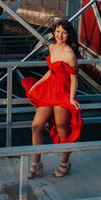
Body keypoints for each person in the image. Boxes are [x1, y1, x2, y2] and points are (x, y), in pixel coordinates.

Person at [21, 19, 83, 179]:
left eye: (64, 32)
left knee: (63, 129)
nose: (60, 35)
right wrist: (37, 84)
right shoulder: (52, 47)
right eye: (57, 31)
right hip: (50, 89)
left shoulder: (70, 54)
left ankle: (65, 163)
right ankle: (37, 163)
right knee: (36, 126)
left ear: (69, 35)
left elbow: (74, 79)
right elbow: (51, 71)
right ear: (53, 32)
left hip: (63, 92)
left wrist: (71, 98)